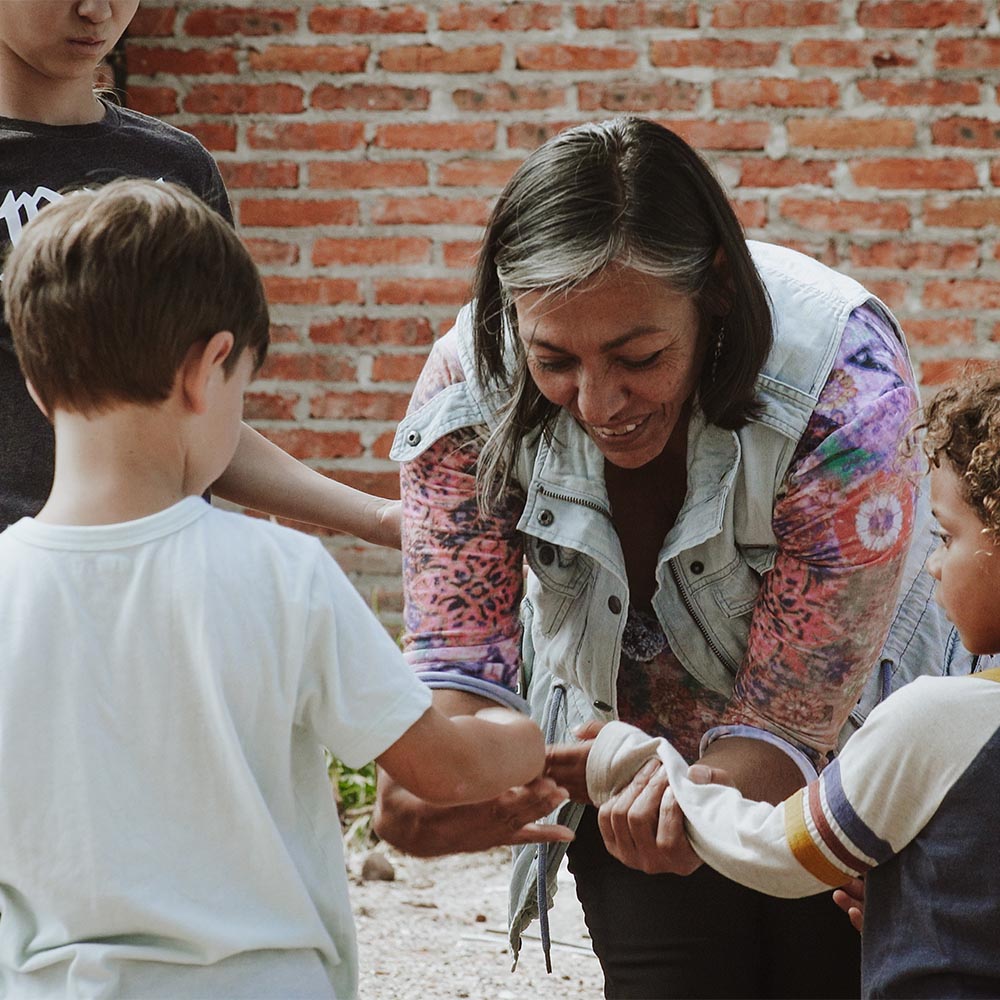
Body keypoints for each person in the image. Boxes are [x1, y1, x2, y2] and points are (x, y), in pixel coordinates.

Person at [374, 115, 981, 999]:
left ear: (718, 292)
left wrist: (677, 794)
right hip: (624, 759)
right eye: (554, 360)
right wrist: (435, 783)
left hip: (853, 766)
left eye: (640, 356)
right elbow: (459, 679)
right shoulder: (466, 395)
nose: (597, 401)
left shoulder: (842, 386)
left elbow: (785, 736)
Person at [0, 177, 549, 999]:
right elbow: (445, 768)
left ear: (39, 384)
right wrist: (531, 738)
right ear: (209, 368)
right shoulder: (278, 573)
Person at [587, 370, 1000, 998]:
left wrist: (652, 767)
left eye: (946, 536)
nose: (934, 563)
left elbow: (775, 851)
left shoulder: (939, 719)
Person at [0, 0, 398, 546]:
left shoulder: (177, 167)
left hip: (175, 580)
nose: (95, 10)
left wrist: (381, 519)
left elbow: (197, 408)